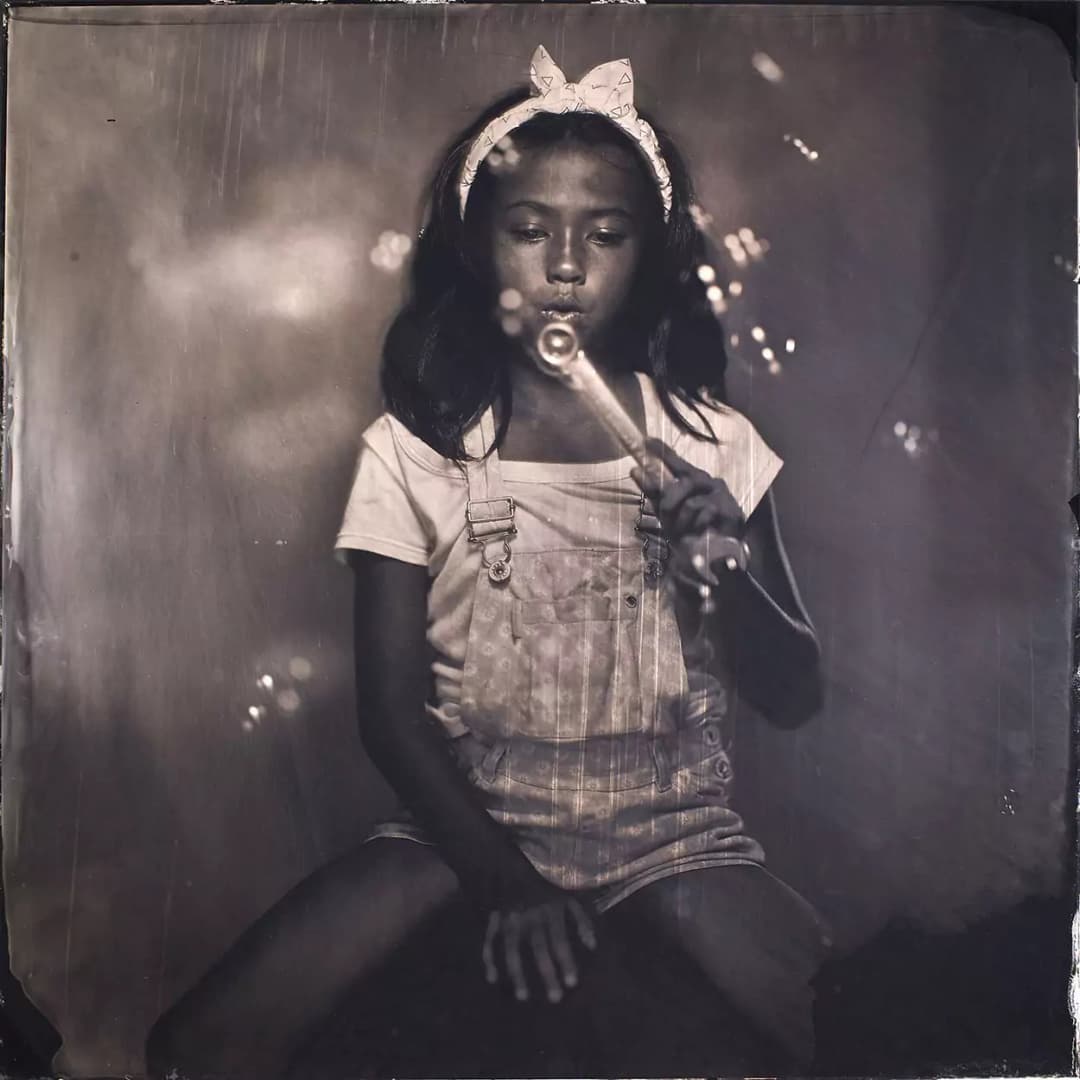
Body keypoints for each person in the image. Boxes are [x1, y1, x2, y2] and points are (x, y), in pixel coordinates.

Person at [146, 45, 829, 1078]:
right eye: (528, 231)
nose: (564, 266)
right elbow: (388, 710)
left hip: (674, 838)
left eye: (604, 235)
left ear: (649, 251)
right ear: (477, 252)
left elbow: (795, 692)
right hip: (462, 825)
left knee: (860, 1037)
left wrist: (721, 564)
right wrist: (501, 878)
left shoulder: (716, 444)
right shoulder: (414, 451)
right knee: (203, 1045)